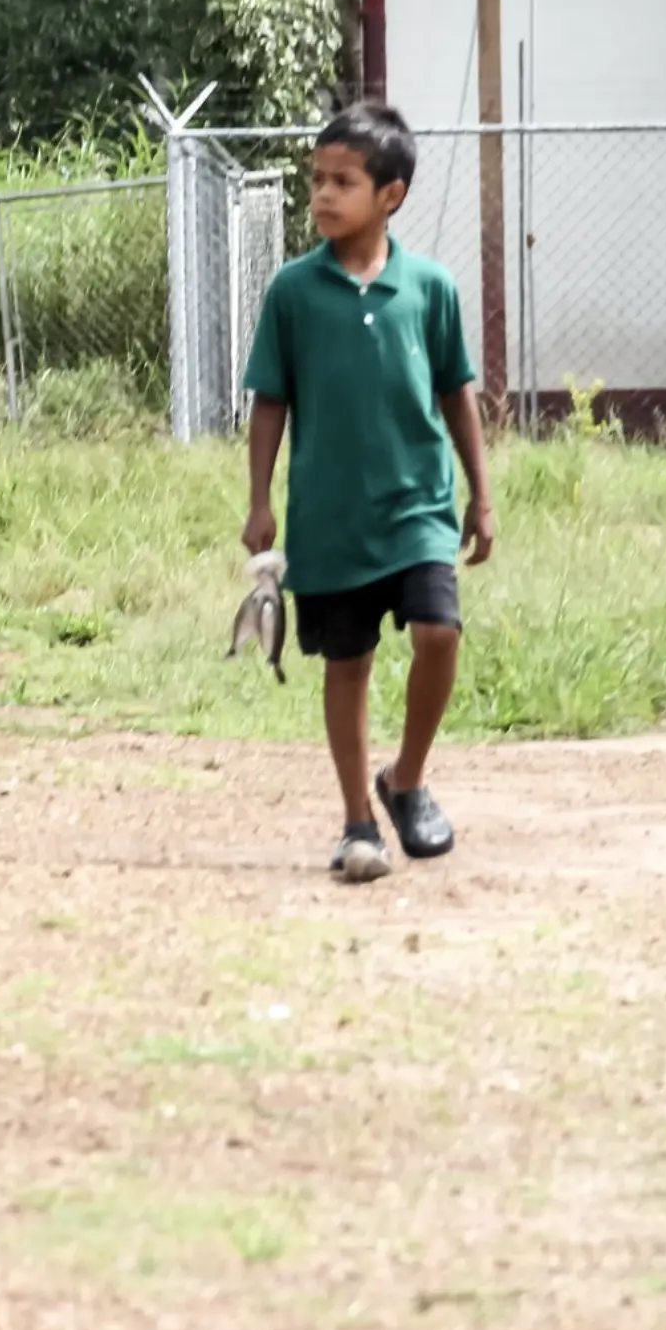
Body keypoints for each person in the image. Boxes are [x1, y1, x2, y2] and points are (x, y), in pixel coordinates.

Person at [240, 104, 495, 885]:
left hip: (418, 505)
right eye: (316, 180)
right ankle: (359, 821)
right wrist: (259, 501)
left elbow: (457, 393)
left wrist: (480, 497)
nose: (322, 195)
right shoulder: (293, 291)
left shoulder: (430, 288)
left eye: (342, 182)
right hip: (329, 519)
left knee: (438, 634)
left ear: (392, 195)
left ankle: (407, 778)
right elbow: (270, 402)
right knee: (345, 665)